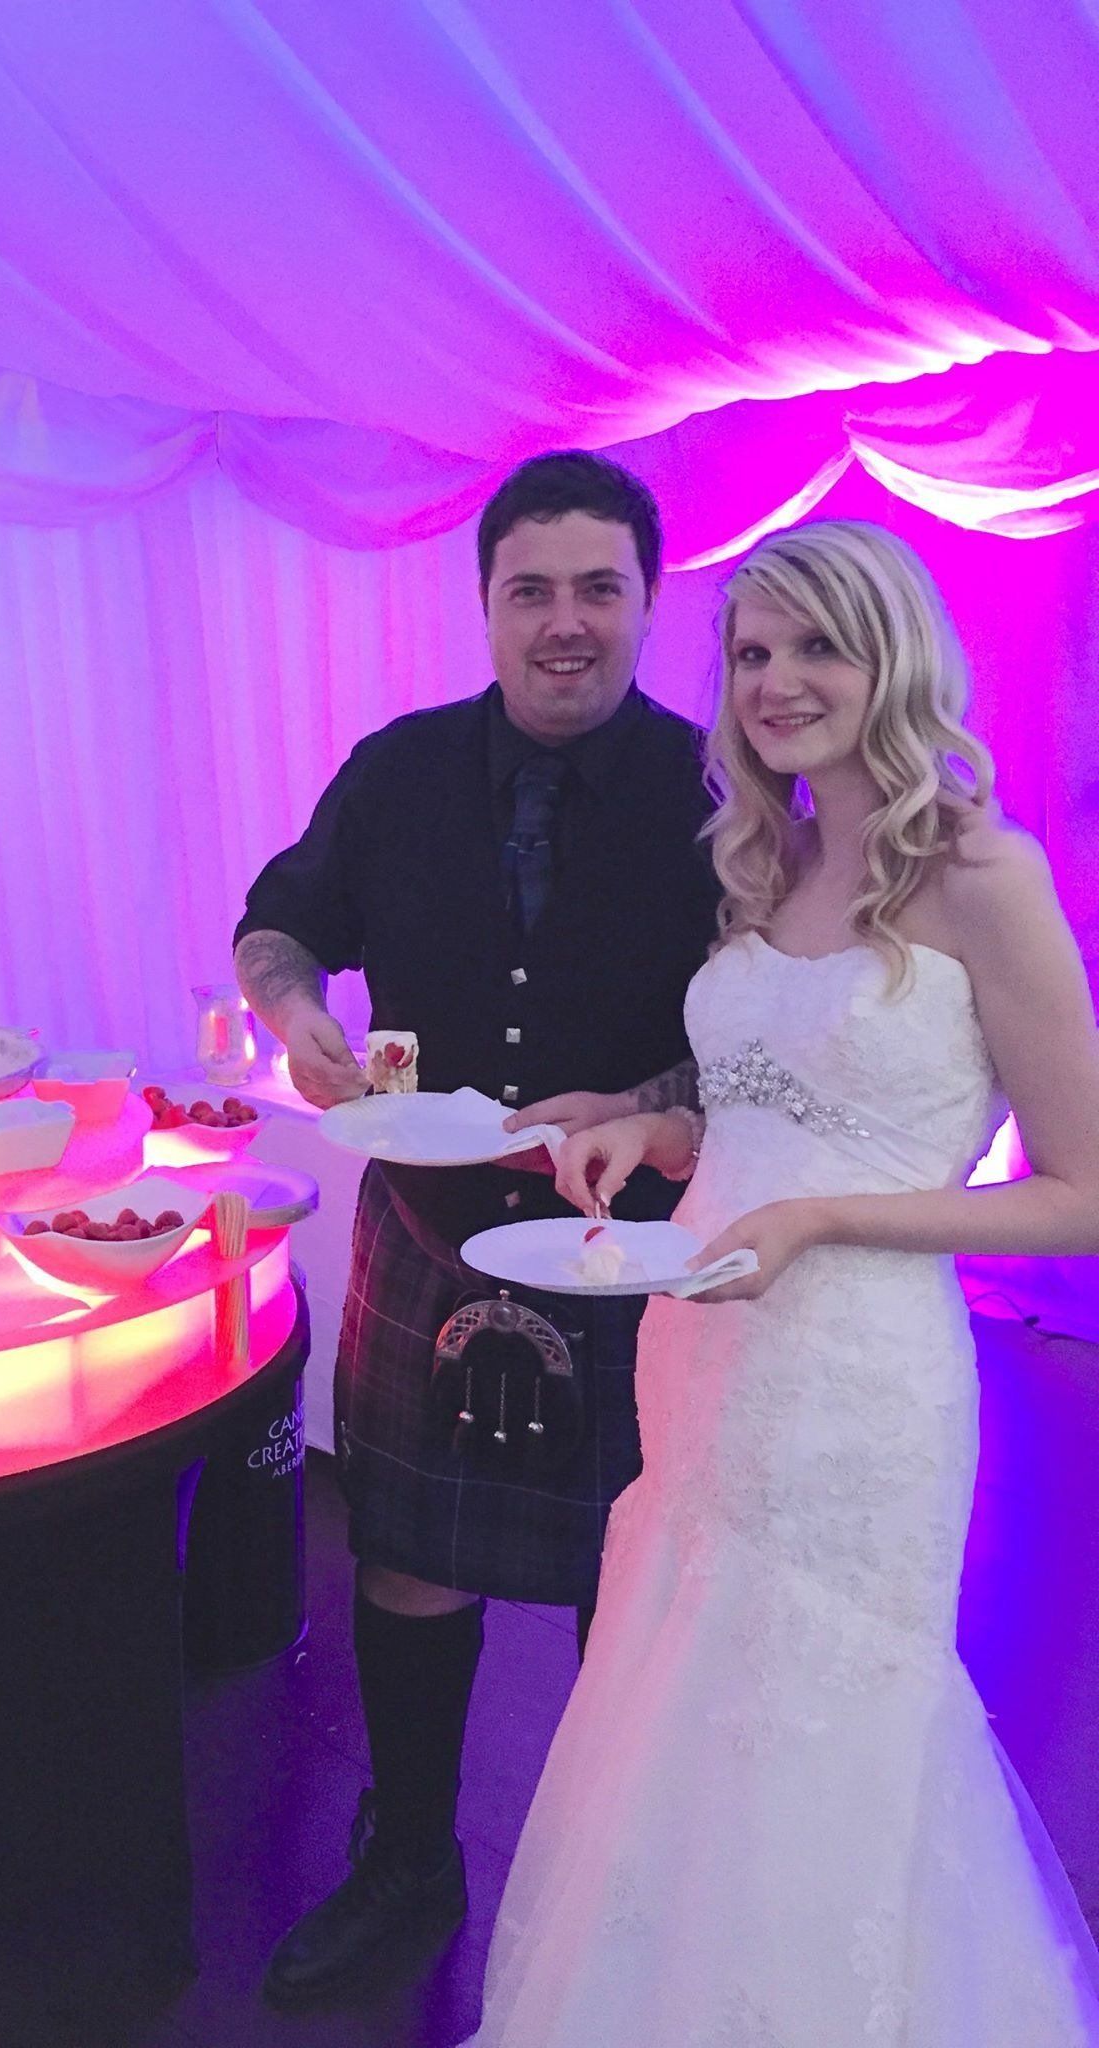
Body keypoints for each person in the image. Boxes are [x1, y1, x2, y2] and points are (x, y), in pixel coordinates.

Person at [468, 518, 1099, 2046]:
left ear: (895, 656)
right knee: (684, 1683)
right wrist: (649, 1129)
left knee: (827, 1709)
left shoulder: (982, 874)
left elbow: (1079, 1198)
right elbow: (764, 1109)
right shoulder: (773, 861)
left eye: (817, 644)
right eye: (752, 651)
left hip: (858, 1382)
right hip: (703, 1351)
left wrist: (821, 1221)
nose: (775, 680)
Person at [233, 451, 722, 2007]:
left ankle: (610, 1882)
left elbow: (766, 1044)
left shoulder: (720, 797)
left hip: (633, 1249)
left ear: (649, 601)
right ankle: (409, 1861)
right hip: (430, 1228)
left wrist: (641, 1099)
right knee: (404, 1557)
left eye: (599, 589)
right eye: (533, 590)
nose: (565, 621)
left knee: (619, 1581)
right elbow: (278, 922)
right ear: (487, 604)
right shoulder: (397, 770)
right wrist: (297, 1014)